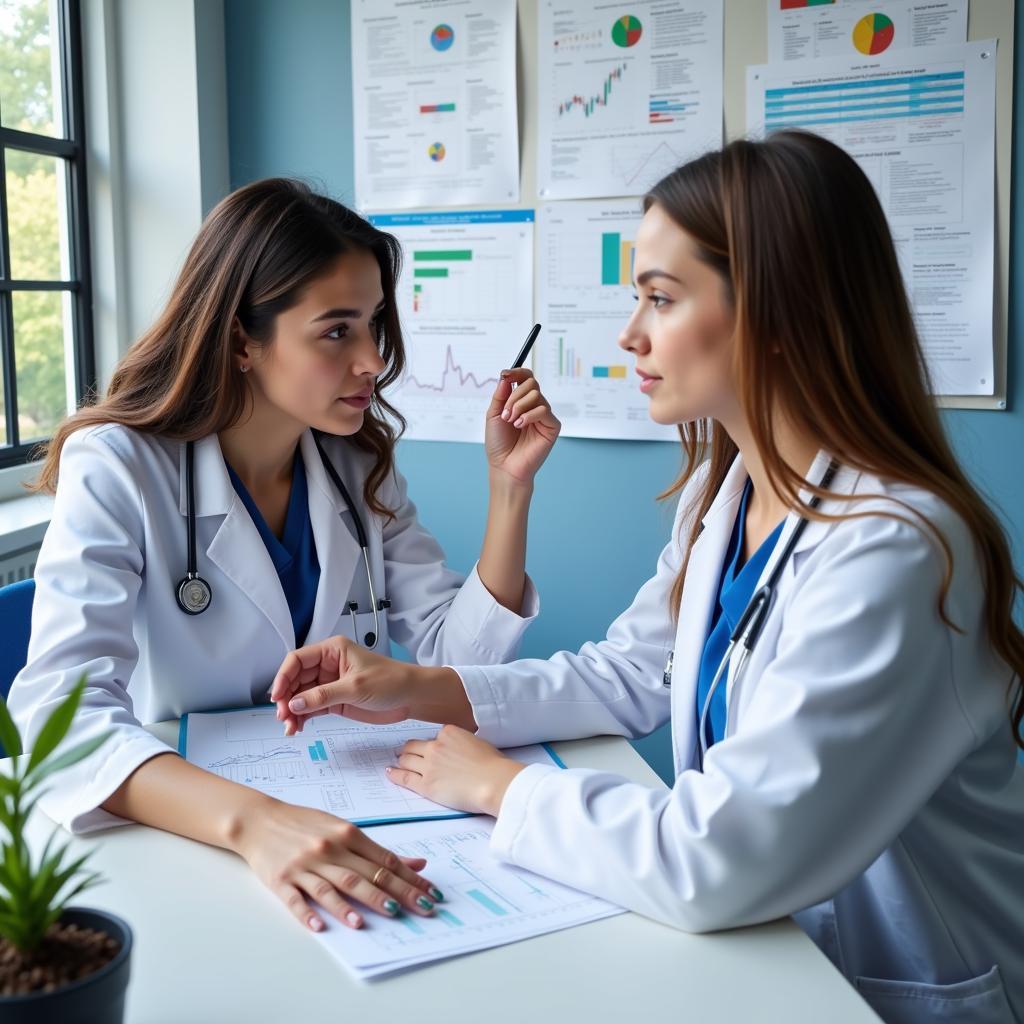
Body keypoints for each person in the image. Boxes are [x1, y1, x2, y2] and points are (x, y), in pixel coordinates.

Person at [274, 133, 1024, 1022]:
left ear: (780, 312)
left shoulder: (895, 550)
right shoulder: (729, 487)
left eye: (661, 299)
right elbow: (632, 673)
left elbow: (722, 859)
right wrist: (420, 688)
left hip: (902, 984)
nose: (630, 335)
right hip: (782, 956)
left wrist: (501, 787)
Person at [9, 178, 560, 934]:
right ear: (242, 339)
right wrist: (259, 824)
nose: (373, 359)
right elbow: (57, 721)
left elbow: (454, 658)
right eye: (337, 331)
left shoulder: (356, 463)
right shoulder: (119, 466)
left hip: (355, 813)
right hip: (190, 835)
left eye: (372, 324)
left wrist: (509, 490)